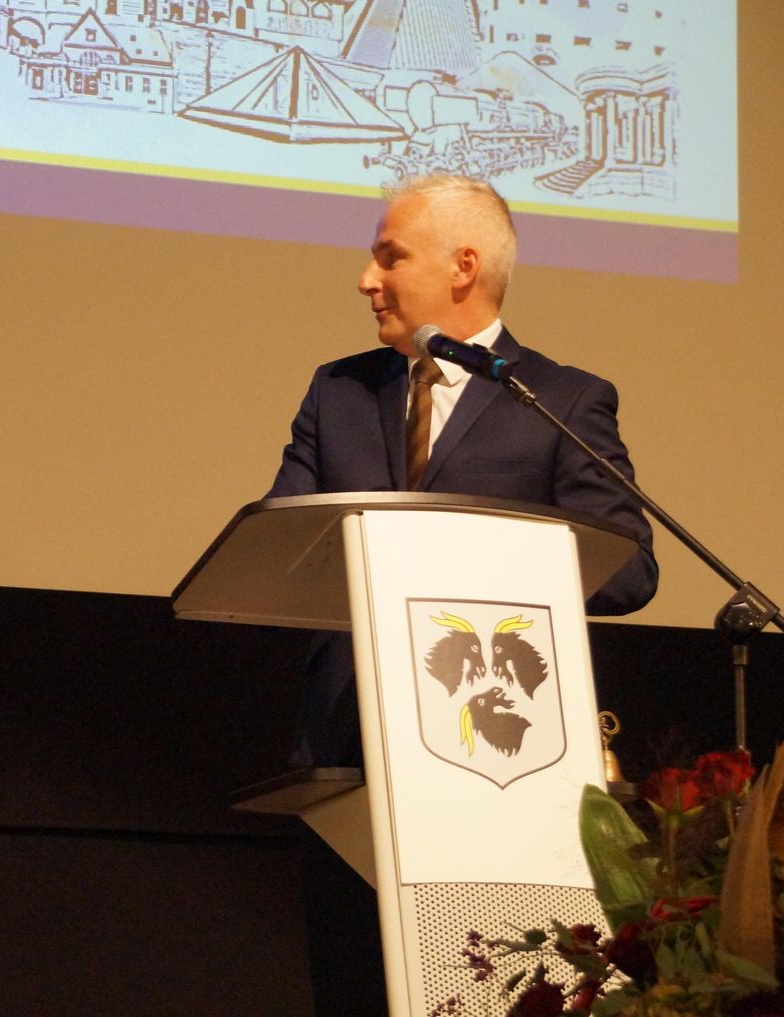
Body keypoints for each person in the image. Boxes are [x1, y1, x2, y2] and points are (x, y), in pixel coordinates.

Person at [266, 174, 657, 1014]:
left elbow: (627, 569)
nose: (366, 279)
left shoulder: (560, 400)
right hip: (349, 754)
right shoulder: (338, 392)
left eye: (389, 256)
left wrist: (461, 563)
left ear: (463, 266)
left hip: (500, 763)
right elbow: (281, 551)